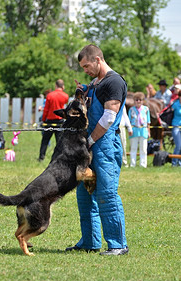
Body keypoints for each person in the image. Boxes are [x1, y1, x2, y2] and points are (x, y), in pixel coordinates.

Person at [65, 44, 128, 256]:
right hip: (90, 146)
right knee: (84, 194)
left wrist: (90, 140)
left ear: (98, 60)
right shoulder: (95, 83)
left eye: (87, 66)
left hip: (105, 145)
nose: (85, 70)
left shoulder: (114, 82)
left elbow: (109, 117)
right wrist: (83, 90)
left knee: (106, 194)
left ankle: (118, 245)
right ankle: (90, 242)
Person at [38, 79, 69, 161]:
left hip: (49, 121)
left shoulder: (49, 95)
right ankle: (59, 157)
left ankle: (41, 157)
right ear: (63, 86)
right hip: (60, 121)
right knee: (59, 141)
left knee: (45, 140)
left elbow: (46, 110)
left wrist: (43, 120)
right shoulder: (65, 96)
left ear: (56, 85)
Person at [128, 92, 151, 168]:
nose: (138, 101)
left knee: (143, 148)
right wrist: (129, 130)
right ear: (134, 101)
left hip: (143, 130)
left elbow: (148, 122)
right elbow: (129, 121)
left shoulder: (146, 109)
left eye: (140, 100)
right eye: (136, 100)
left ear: (142, 101)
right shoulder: (131, 109)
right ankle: (132, 164)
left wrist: (148, 131)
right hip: (134, 129)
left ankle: (143, 164)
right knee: (133, 148)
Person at [171, 90, 181, 166]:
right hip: (176, 126)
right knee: (178, 145)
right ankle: (174, 162)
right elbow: (168, 112)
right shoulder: (175, 104)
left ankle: (179, 163)